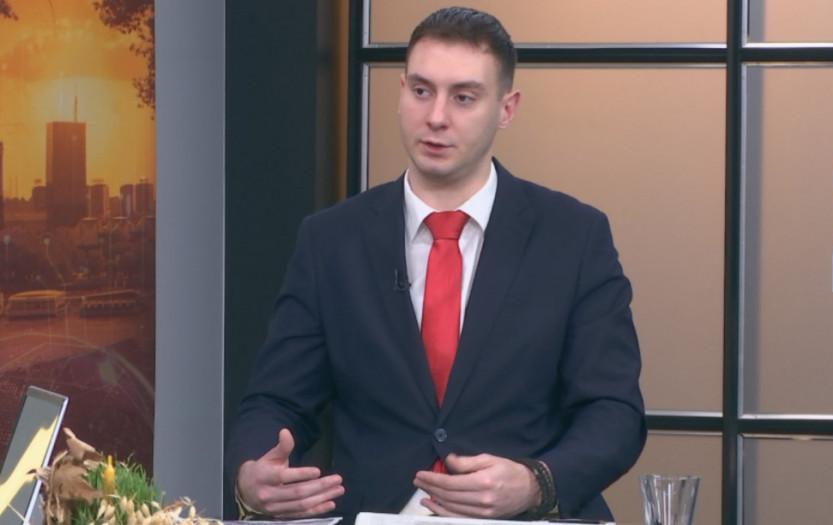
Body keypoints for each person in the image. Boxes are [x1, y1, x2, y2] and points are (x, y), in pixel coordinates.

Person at [225, 6, 645, 523]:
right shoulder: (331, 240)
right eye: (422, 91)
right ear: (401, 91)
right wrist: (251, 476)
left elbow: (614, 412)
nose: (437, 117)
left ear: (506, 109)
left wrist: (537, 482)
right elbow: (276, 400)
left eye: (463, 97)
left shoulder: (574, 237)